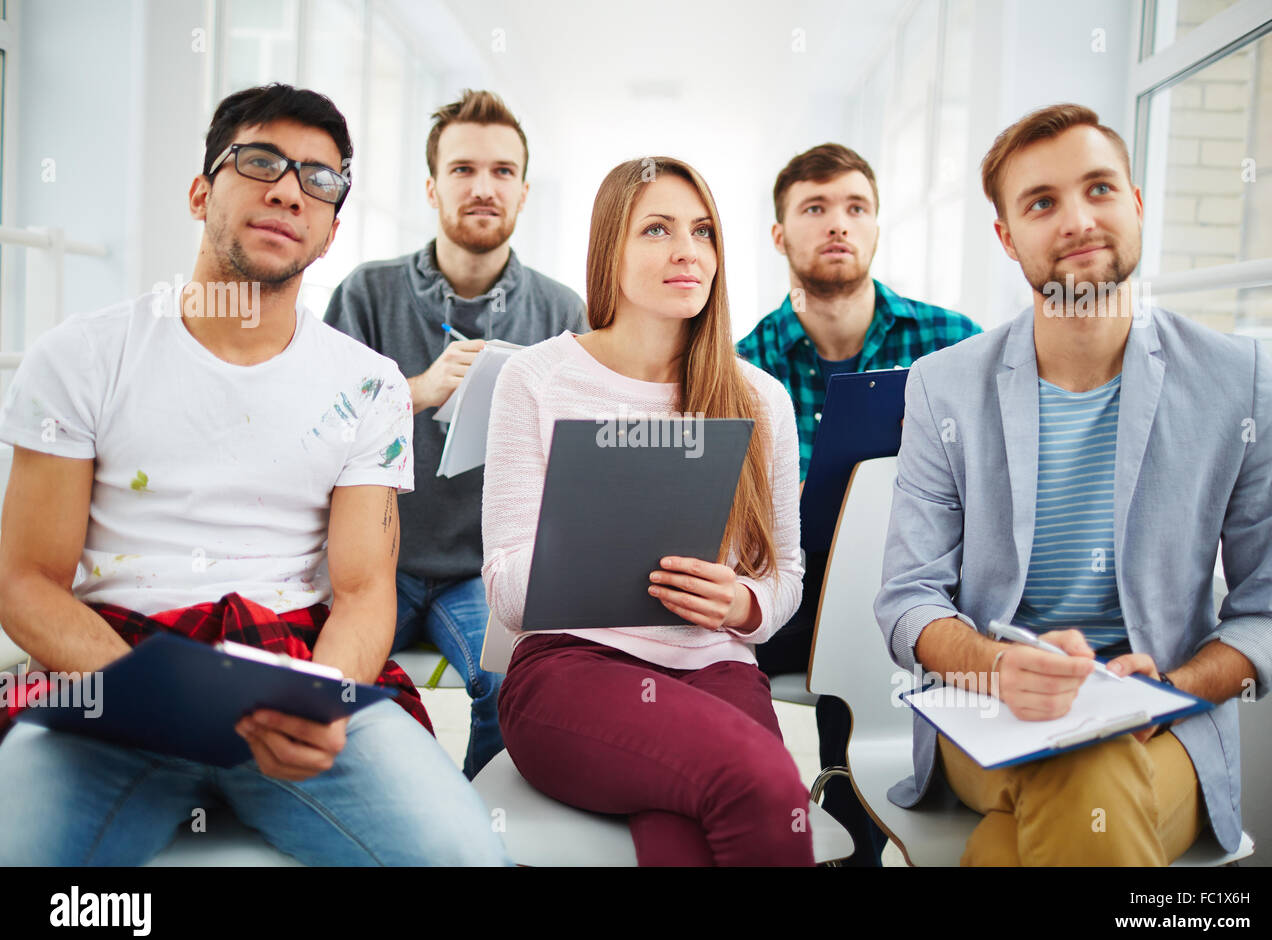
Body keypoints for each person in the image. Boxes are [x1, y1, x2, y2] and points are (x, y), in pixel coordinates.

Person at [0, 83, 509, 866]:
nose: (287, 190)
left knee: (465, 858)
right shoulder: (81, 356)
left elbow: (367, 591)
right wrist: (150, 693)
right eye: (261, 161)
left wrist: (320, 700)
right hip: (114, 668)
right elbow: (27, 579)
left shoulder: (368, 385)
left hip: (296, 670)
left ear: (332, 230)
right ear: (201, 190)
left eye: (319, 178)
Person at [874, 104, 1272, 865]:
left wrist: (1174, 685)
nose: (1077, 220)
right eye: (1042, 202)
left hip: (1169, 722)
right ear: (1007, 237)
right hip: (988, 715)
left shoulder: (1241, 383)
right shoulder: (943, 387)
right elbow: (908, 601)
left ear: (1135, 205)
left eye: (1099, 189)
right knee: (1084, 769)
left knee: (1045, 813)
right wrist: (998, 669)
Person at [481, 157, 813, 866]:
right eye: (657, 229)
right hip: (569, 669)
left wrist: (742, 605)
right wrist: (583, 539)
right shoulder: (535, 379)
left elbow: (784, 577)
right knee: (764, 786)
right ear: (610, 250)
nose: (687, 250)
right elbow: (504, 590)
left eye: (702, 231)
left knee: (702, 821)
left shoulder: (761, 399)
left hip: (715, 664)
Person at [325, 90, 586, 779]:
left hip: (483, 570)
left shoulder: (563, 311)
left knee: (510, 686)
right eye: (464, 169)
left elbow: (587, 460)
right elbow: (317, 429)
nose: (483, 187)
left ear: (524, 192)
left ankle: (480, 829)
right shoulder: (366, 293)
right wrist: (418, 390)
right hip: (371, 562)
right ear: (432, 186)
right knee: (341, 691)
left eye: (503, 171)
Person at [737, 142, 981, 865]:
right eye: (814, 209)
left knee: (881, 640)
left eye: (855, 208)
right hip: (794, 594)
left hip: (918, 586)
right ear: (780, 236)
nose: (837, 223)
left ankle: (855, 833)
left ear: (876, 227)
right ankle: (770, 815)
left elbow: (1002, 488)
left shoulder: (953, 344)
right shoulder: (742, 366)